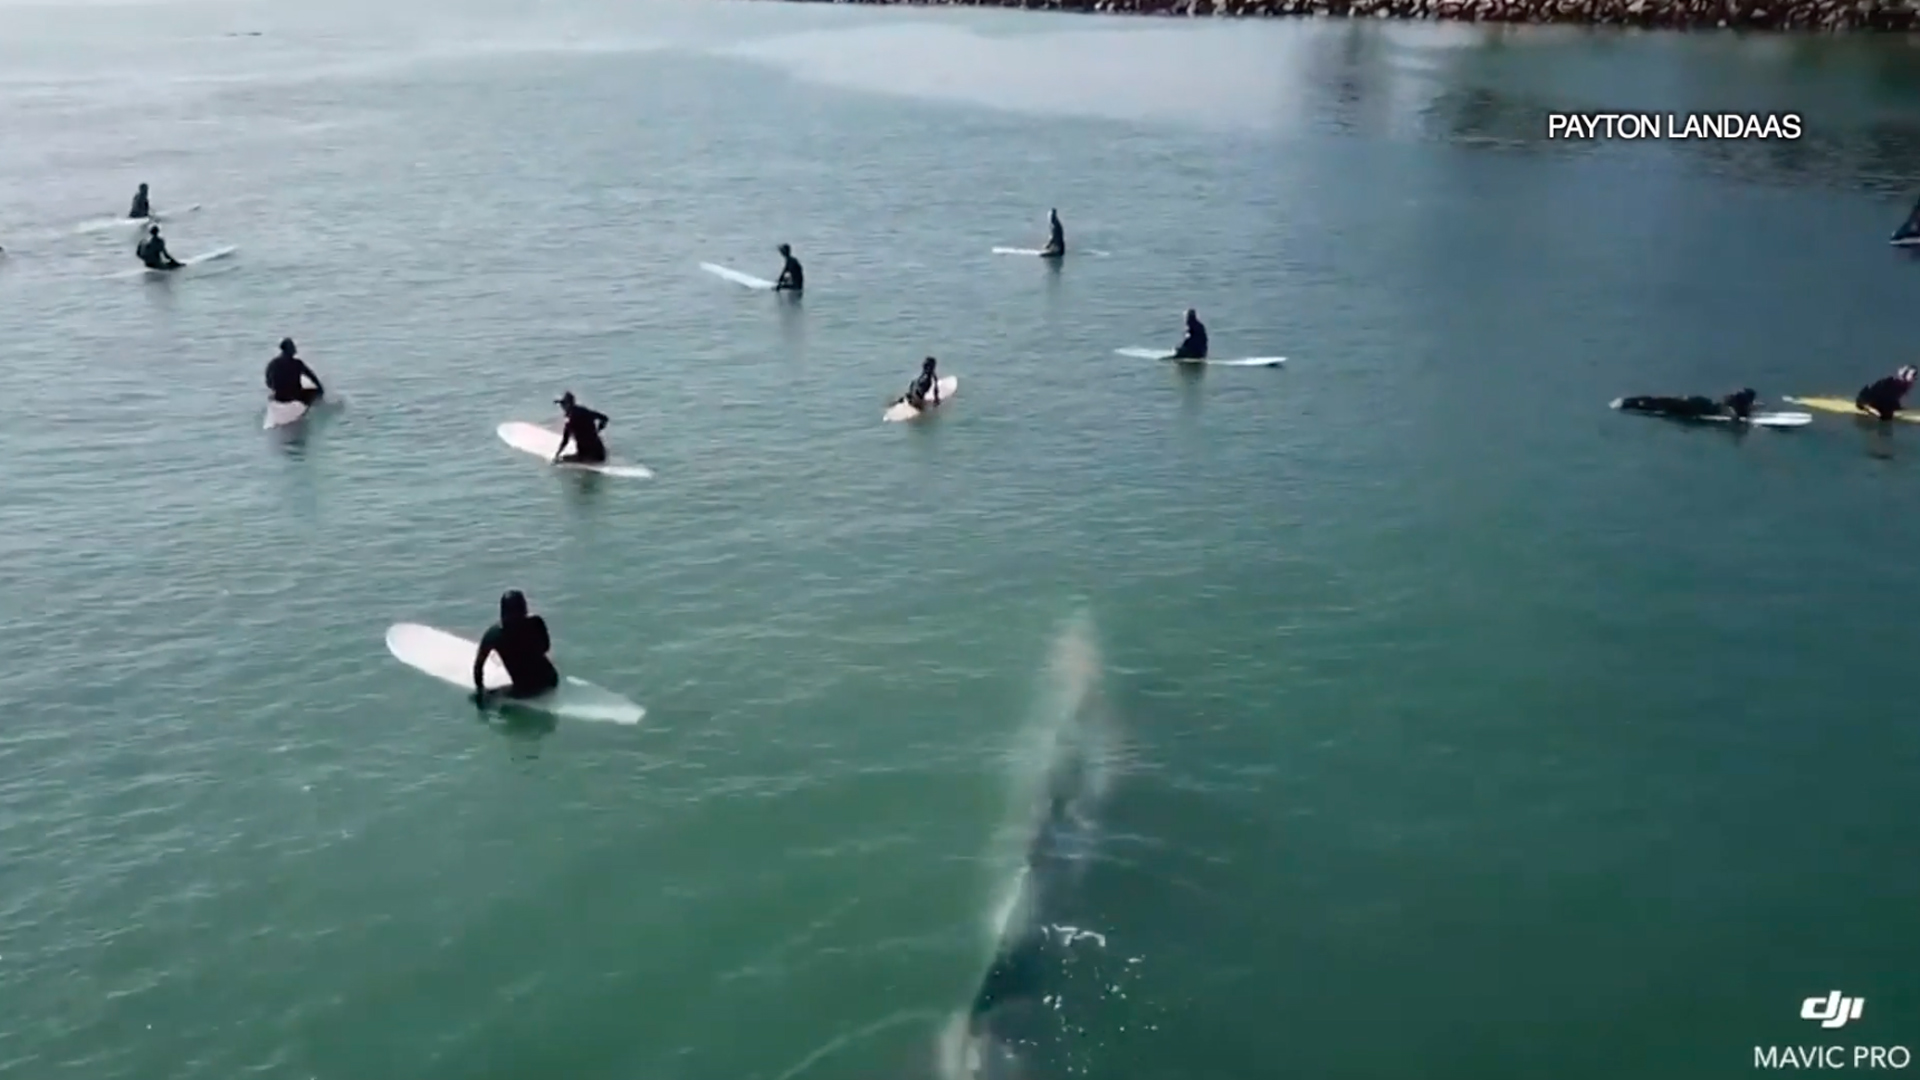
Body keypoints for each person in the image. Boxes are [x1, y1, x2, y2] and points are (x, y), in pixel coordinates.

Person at [472, 590, 559, 703]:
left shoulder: (494, 635)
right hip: (551, 680)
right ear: (524, 609)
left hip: (525, 689)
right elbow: (546, 648)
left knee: (479, 698)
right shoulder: (536, 622)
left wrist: (480, 692)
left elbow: (478, 668)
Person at [1617, 388, 1758, 421]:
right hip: (1694, 405)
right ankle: (1630, 403)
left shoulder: (1721, 407)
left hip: (1695, 406)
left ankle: (1629, 403)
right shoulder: (1722, 406)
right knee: (1660, 402)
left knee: (1661, 403)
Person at [553, 391, 609, 464]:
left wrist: (556, 455)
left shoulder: (570, 420)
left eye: (563, 404)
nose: (562, 407)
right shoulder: (584, 411)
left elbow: (565, 441)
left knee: (562, 460)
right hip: (601, 453)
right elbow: (604, 418)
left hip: (588, 456)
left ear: (568, 405)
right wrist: (598, 430)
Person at [264, 338, 324, 406]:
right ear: (290, 349)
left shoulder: (272, 364)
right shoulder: (297, 363)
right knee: (315, 391)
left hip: (278, 397)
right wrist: (321, 390)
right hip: (295, 397)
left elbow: (268, 383)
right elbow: (312, 377)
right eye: (293, 347)